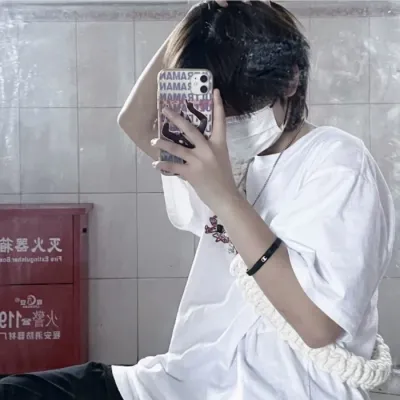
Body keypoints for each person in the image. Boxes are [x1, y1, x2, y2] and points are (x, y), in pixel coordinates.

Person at [0, 1, 395, 399]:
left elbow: (319, 326)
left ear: (291, 79)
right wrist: (203, 15)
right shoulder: (216, 156)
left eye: (239, 111)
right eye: (214, 109)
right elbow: (134, 121)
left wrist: (222, 194)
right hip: (181, 381)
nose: (228, 125)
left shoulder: (337, 159)